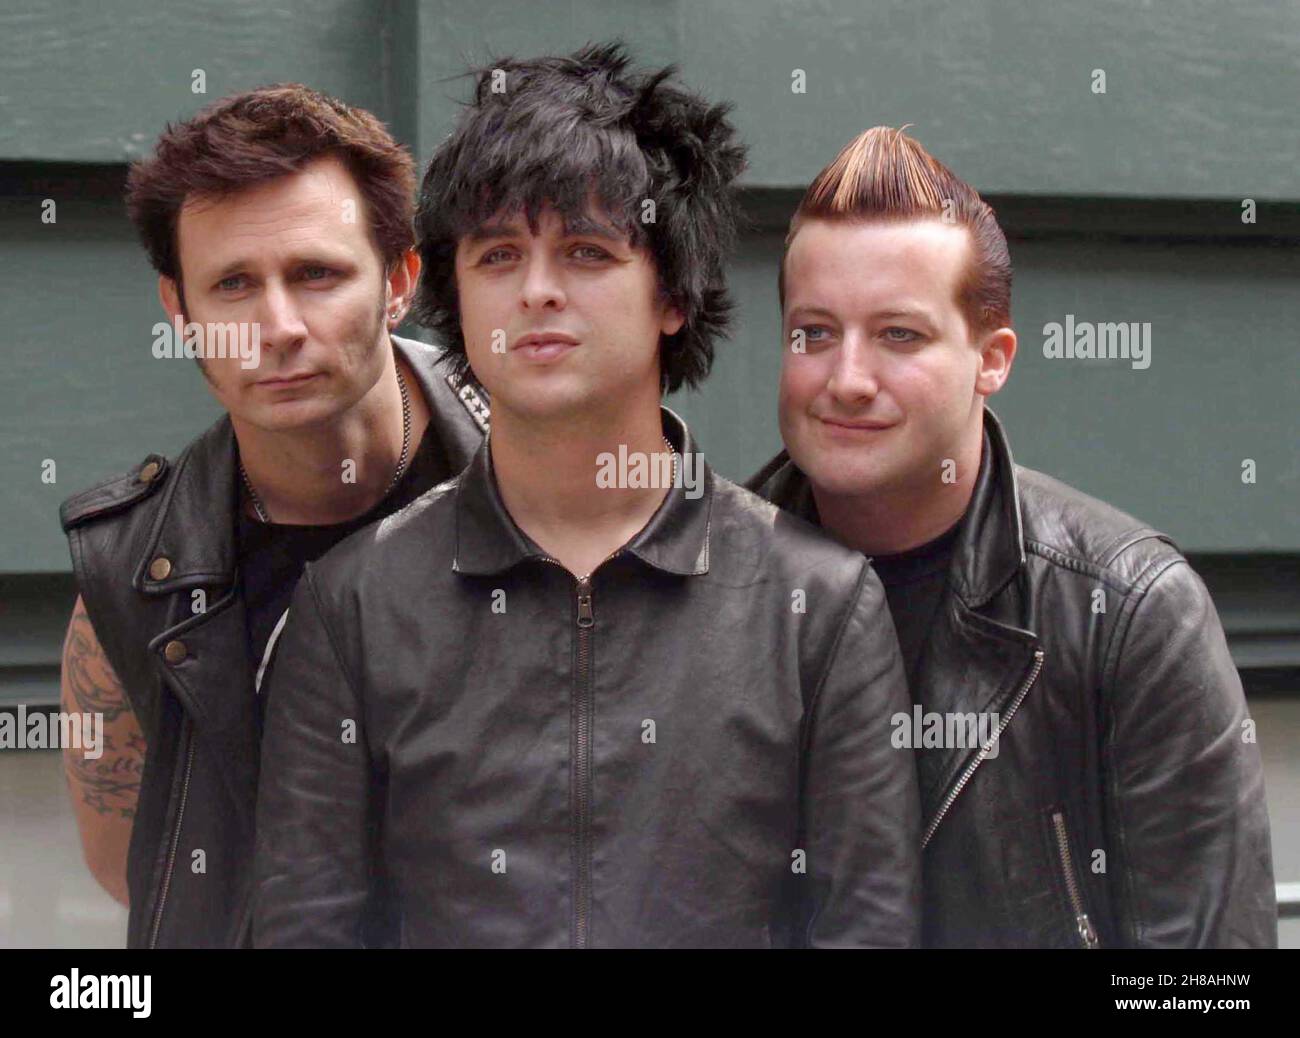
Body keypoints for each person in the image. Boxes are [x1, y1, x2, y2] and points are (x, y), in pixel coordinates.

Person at [253, 44, 921, 948]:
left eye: (585, 251)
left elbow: (865, 932)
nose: (535, 292)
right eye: (497, 255)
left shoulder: (818, 609)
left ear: (672, 296)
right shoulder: (356, 604)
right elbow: (308, 930)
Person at [747, 125, 1276, 947]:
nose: (846, 380)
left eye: (899, 336)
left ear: (992, 360)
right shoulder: (709, 588)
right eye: (813, 333)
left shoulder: (1129, 614)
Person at [57, 83, 489, 947]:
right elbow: (133, 863)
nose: (277, 326)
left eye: (316, 273)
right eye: (233, 286)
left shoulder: (537, 467)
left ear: (401, 278)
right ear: (181, 312)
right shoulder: (131, 580)